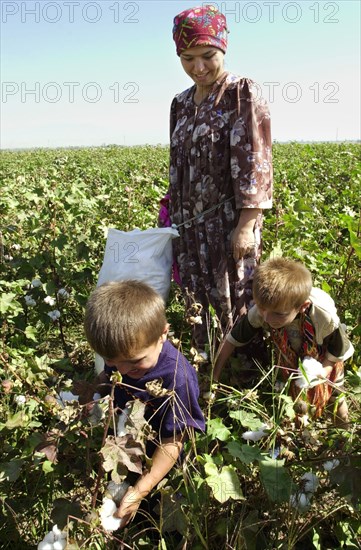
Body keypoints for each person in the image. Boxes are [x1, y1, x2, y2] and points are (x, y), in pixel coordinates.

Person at [165, 5, 273, 354]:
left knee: (235, 296)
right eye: (187, 58)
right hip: (188, 226)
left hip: (228, 223)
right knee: (195, 300)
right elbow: (176, 163)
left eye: (207, 56)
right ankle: (206, 364)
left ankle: (241, 374)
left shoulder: (241, 92)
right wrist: (170, 213)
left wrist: (246, 224)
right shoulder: (180, 104)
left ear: (222, 48)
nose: (198, 67)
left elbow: (257, 160)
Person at [83, 280, 205, 526]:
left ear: (163, 334)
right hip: (126, 450)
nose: (124, 370)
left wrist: (141, 491)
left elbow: (174, 441)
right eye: (112, 360)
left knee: (157, 520)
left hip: (163, 462)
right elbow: (108, 375)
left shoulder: (177, 377)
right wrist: (90, 396)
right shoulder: (122, 352)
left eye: (134, 362)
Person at [214, 257, 354, 425]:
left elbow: (338, 350)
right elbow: (233, 340)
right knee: (294, 399)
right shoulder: (263, 311)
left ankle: (341, 432)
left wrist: (323, 372)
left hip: (325, 355)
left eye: (279, 314)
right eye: (262, 309)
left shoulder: (324, 317)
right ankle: (300, 432)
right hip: (292, 354)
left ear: (302, 306)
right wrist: (214, 375)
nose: (268, 318)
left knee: (335, 397)